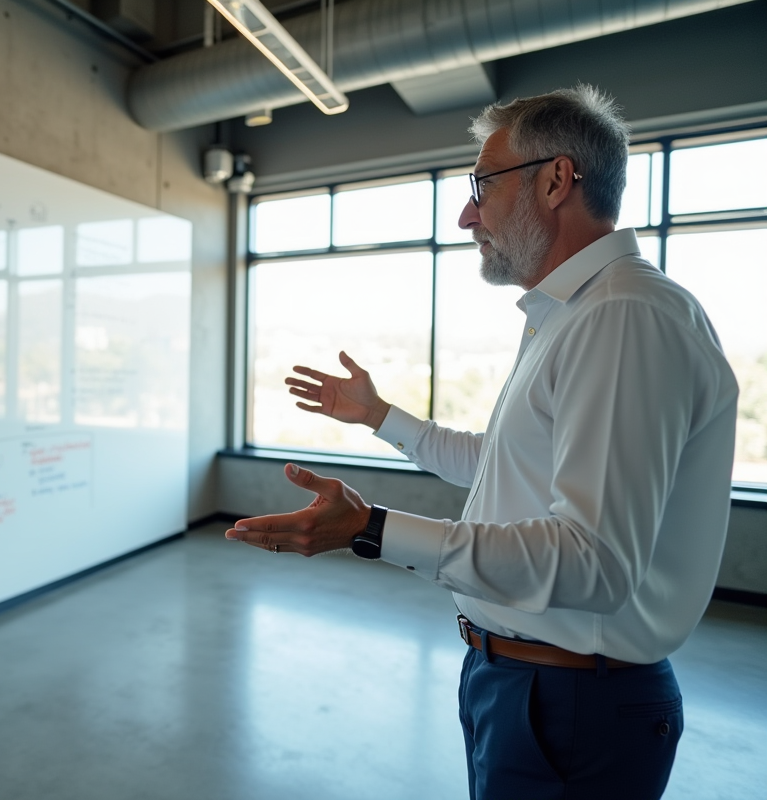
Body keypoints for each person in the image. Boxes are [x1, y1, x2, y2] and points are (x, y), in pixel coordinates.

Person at [225, 85, 739, 800]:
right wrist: (381, 417)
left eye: (481, 185)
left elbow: (594, 563)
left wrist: (372, 529)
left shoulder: (623, 318)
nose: (468, 214)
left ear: (557, 180)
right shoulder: (574, 315)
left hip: (573, 699)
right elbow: (501, 465)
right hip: (523, 678)